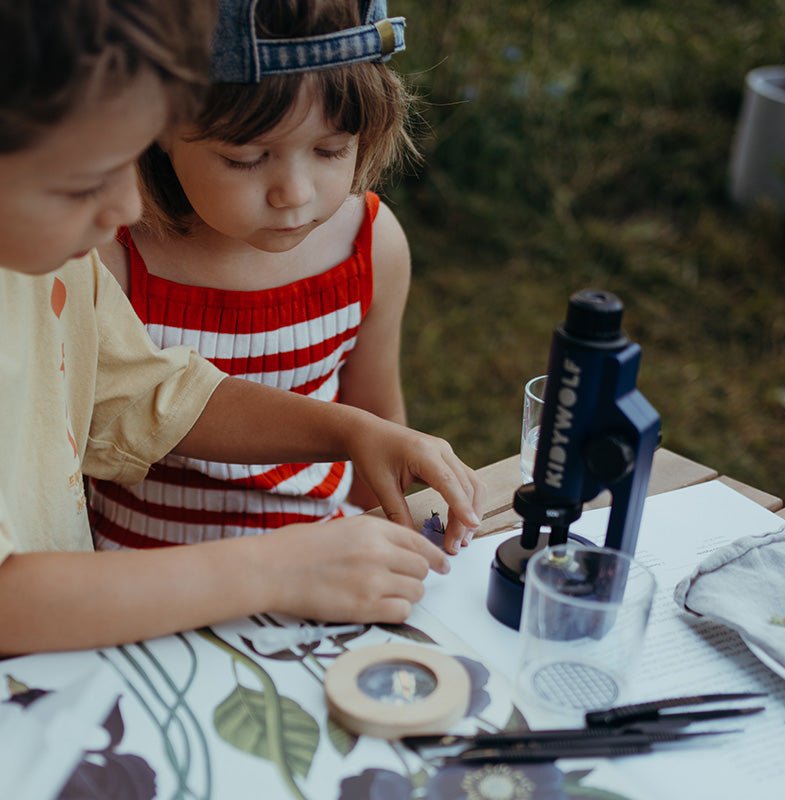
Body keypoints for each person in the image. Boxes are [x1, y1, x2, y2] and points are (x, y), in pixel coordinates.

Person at [0, 0, 484, 656]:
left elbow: (145, 394)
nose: (125, 205)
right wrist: (282, 568)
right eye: (83, 182)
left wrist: (352, 430)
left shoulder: (40, 266)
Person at [89, 0, 427, 552]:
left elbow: (378, 422)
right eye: (246, 158)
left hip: (322, 566)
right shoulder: (115, 252)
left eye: (330, 149)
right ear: (160, 125)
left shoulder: (370, 243)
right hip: (146, 585)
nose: (293, 193)